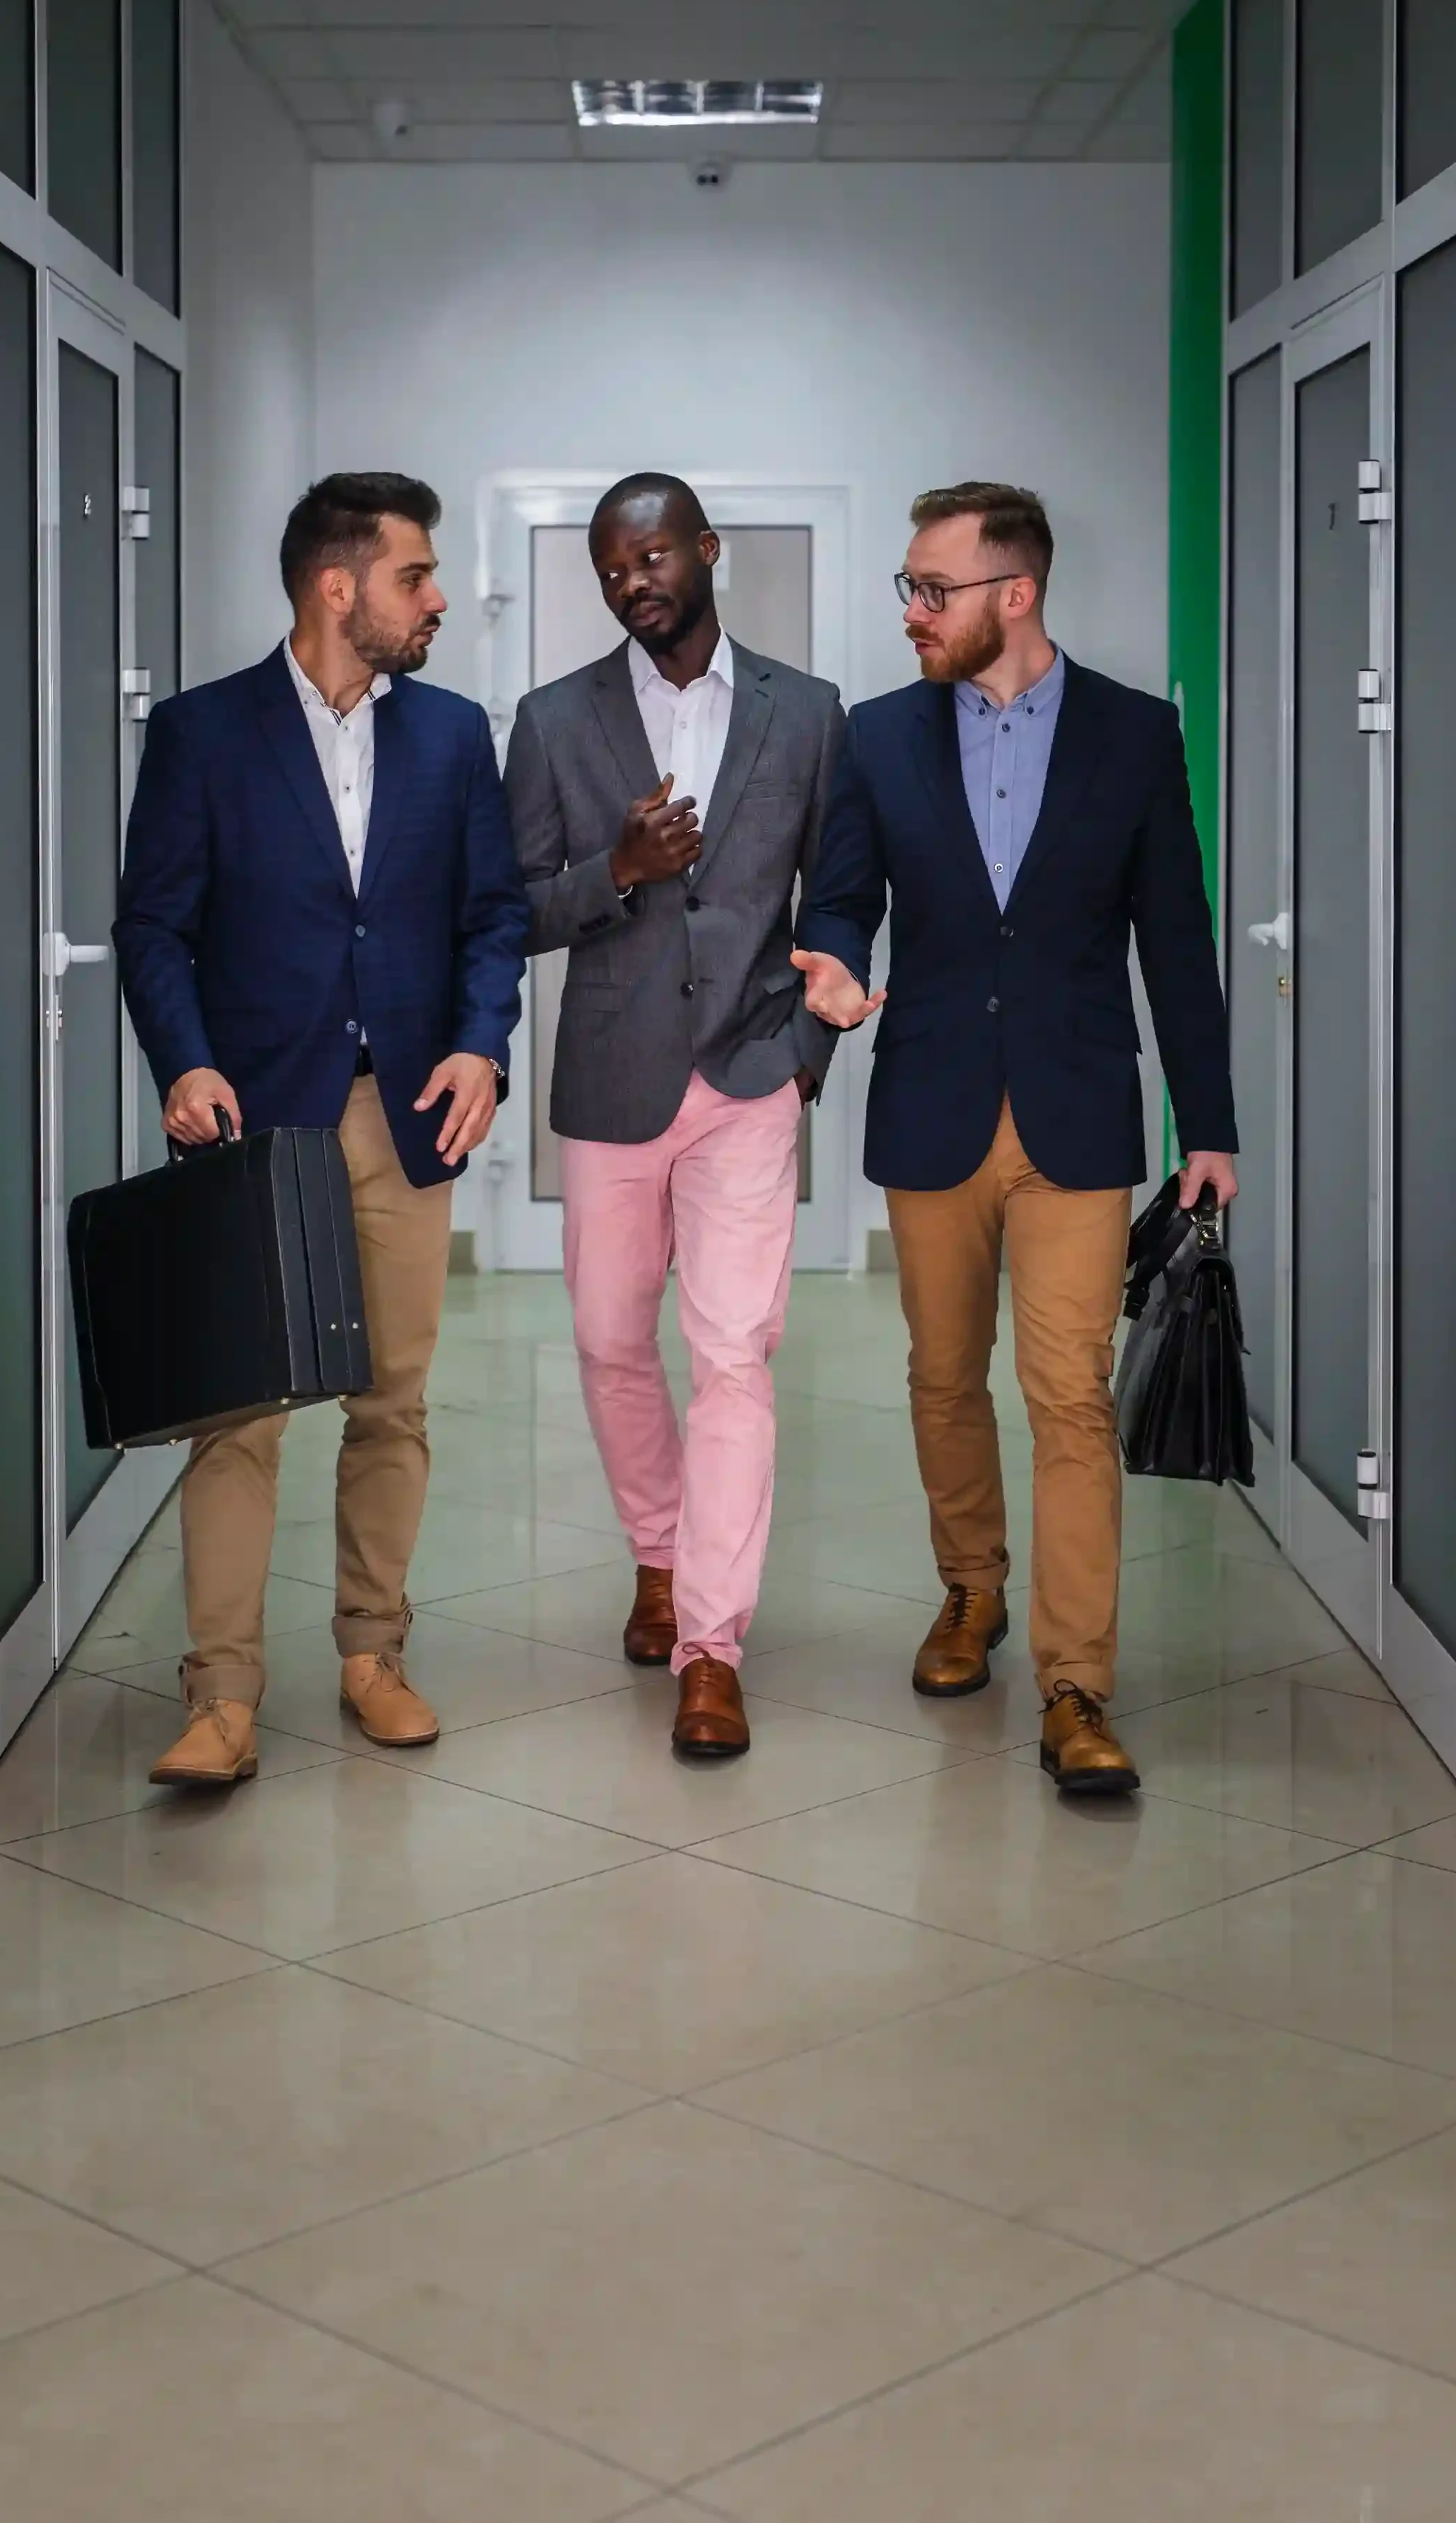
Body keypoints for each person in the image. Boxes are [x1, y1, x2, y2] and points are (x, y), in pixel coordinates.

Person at [794, 482, 1237, 1793]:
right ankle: (970, 1594)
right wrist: (834, 959)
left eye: (937, 590)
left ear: (1017, 595)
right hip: (933, 1100)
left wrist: (1206, 1122)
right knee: (944, 1377)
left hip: (1078, 1112)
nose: (915, 612)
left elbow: (1177, 937)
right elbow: (843, 891)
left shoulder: (1134, 736)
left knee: (1069, 1396)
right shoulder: (879, 736)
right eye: (910, 588)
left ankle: (1076, 1678)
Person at [115, 472, 528, 1787]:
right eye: (416, 575)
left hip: (404, 1113)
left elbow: (494, 916)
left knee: (390, 1401)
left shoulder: (457, 733)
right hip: (253, 1118)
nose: (438, 597)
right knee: (237, 1417)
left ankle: (372, 1652)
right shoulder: (202, 733)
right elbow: (153, 925)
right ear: (336, 586)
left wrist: (481, 1040)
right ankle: (221, 1694)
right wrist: (181, 1061)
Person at [503, 475, 844, 1758]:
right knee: (606, 1339)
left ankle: (711, 1643)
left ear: (706, 551)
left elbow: (843, 890)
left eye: (649, 556)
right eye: (608, 569)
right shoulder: (552, 720)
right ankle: (657, 1553)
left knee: (736, 1357)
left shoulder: (806, 714)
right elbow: (517, 906)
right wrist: (618, 872)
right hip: (610, 1082)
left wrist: (808, 1045)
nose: (630, 582)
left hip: (751, 1074)